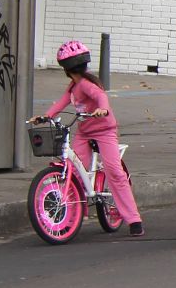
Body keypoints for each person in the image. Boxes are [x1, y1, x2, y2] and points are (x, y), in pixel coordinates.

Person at [34, 40, 143, 236]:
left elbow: (101, 97)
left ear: (66, 68)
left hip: (104, 130)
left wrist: (103, 109)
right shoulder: (73, 86)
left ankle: (134, 219)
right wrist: (46, 116)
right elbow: (61, 102)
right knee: (74, 169)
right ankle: (72, 214)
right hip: (84, 132)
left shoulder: (85, 84)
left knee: (114, 172)